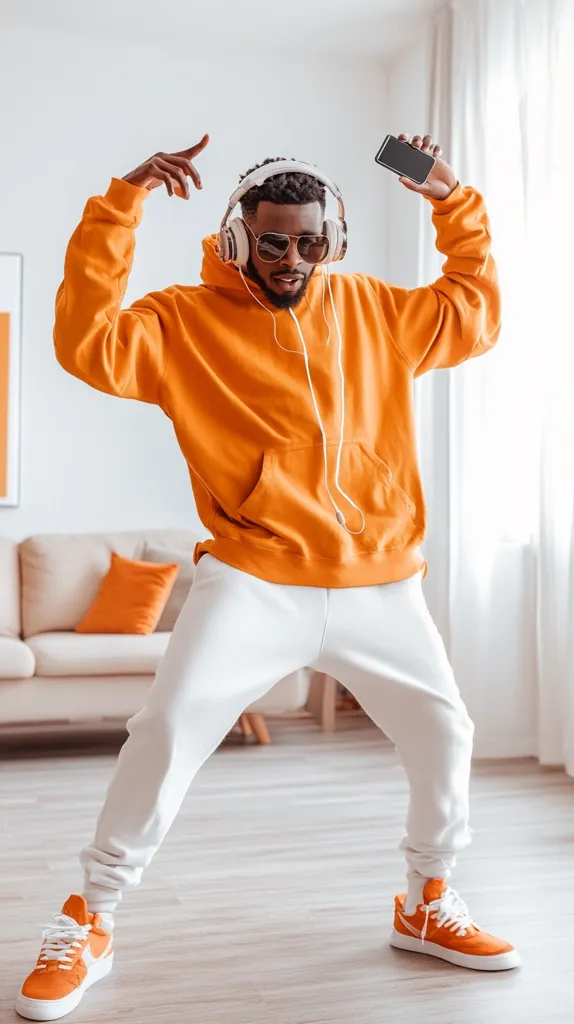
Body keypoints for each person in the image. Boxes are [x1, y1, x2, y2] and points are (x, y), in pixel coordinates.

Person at [16, 131, 520, 1021]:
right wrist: (121, 203)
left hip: (379, 581)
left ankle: (427, 900)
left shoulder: (373, 310)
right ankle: (89, 916)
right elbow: (85, 342)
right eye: (275, 241)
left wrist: (451, 199)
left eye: (311, 241)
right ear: (237, 238)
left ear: (334, 240)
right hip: (254, 576)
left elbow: (475, 310)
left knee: (446, 730)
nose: (294, 259)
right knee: (168, 728)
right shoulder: (180, 321)